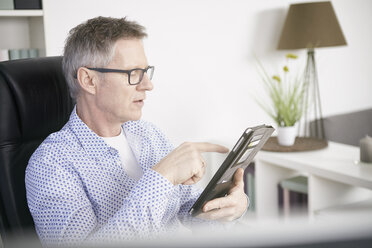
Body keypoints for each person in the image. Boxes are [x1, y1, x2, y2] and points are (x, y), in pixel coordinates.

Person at [25, 16, 248, 246]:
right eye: (133, 73)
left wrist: (230, 210)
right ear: (89, 80)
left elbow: (195, 217)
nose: (147, 85)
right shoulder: (50, 164)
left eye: (145, 71)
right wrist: (162, 177)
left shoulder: (149, 135)